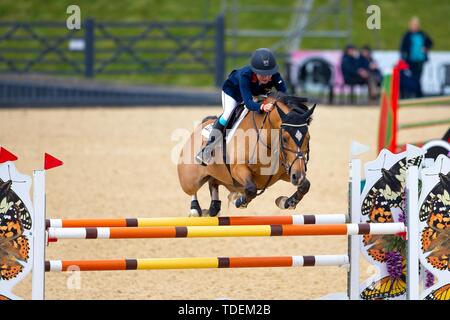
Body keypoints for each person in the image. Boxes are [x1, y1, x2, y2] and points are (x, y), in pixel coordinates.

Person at [196, 48, 287, 165]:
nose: (266, 77)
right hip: (233, 92)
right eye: (262, 74)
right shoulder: (245, 75)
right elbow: (248, 103)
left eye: (269, 73)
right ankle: (207, 149)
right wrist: (263, 107)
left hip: (254, 92)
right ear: (255, 71)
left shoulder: (274, 76)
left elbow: (285, 95)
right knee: (228, 113)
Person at [400, 17, 433, 97]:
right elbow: (403, 48)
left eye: (415, 25)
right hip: (410, 60)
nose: (414, 26)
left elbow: (430, 42)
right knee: (412, 77)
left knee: (418, 77)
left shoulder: (422, 34)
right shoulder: (407, 35)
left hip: (420, 59)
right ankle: (417, 93)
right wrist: (403, 58)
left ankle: (418, 94)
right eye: (413, 25)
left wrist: (426, 48)